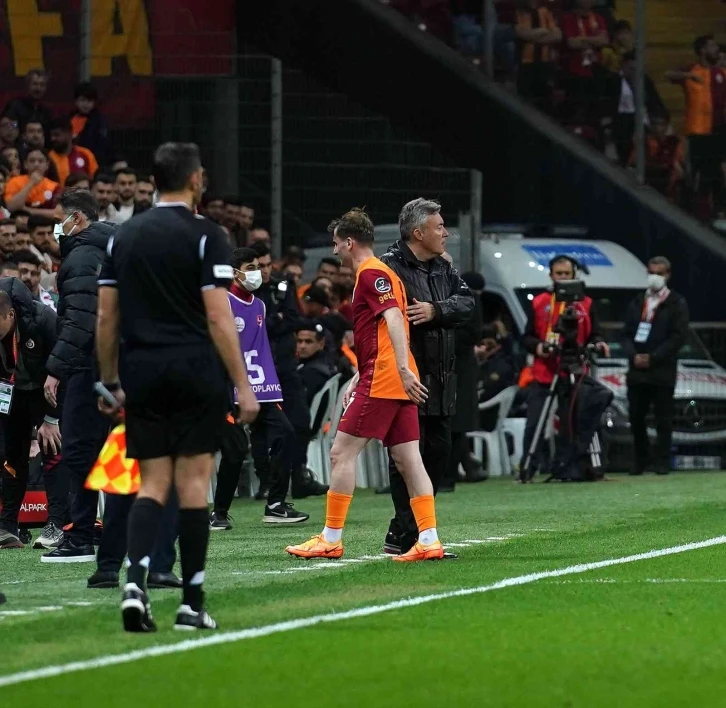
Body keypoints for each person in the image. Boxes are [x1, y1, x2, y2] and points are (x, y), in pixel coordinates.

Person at [95, 142, 259, 632]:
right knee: (191, 486)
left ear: (152, 181)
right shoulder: (208, 235)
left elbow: (106, 316)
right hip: (193, 369)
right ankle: (191, 603)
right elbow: (218, 315)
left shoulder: (123, 236)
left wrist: (109, 381)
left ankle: (134, 584)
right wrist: (243, 383)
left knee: (151, 483)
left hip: (141, 370)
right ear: (195, 180)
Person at [286, 208, 444, 562]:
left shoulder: (372, 273)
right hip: (391, 374)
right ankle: (429, 538)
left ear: (349, 242)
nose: (335, 250)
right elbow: (384, 331)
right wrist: (364, 372)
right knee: (409, 459)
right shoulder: (383, 273)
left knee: (341, 453)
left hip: (386, 377)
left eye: (336, 243)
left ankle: (330, 538)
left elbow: (393, 319)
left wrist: (397, 369)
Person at [378, 198, 474, 554]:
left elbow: (467, 303)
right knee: (407, 459)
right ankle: (412, 533)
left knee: (437, 456)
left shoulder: (443, 267)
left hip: (442, 380)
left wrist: (437, 310)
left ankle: (404, 530)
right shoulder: (388, 267)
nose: (446, 233)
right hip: (408, 378)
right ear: (418, 233)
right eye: (439, 227)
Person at [39, 190, 115, 562]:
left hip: (89, 366)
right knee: (107, 450)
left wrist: (55, 369)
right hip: (113, 365)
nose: (56, 229)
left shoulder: (83, 256)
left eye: (59, 220)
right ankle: (113, 531)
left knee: (79, 450)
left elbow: (81, 319)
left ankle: (81, 535)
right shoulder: (109, 248)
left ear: (77, 219)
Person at [209, 247, 309, 530]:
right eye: (251, 268)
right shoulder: (222, 302)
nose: (259, 272)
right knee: (236, 449)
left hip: (260, 388)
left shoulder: (261, 305)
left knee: (285, 433)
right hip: (228, 389)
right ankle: (218, 513)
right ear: (235, 272)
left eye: (261, 267)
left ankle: (275, 504)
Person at [521, 255, 611, 481]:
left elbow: (595, 333)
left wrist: (599, 342)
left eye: (567, 274)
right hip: (544, 372)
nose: (563, 278)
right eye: (558, 274)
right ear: (551, 275)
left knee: (571, 423)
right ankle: (527, 468)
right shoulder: (539, 301)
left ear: (574, 275)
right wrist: (539, 347)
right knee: (534, 423)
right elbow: (527, 337)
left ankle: (568, 466)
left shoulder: (586, 303)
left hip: (574, 372)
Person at [252, 242, 327, 500]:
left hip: (285, 365)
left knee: (300, 422)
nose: (264, 271)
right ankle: (267, 482)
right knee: (262, 428)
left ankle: (298, 476)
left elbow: (294, 319)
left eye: (266, 265)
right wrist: (276, 320)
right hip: (259, 368)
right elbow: (254, 327)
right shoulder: (245, 292)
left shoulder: (282, 285)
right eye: (258, 266)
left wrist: (271, 323)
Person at [0, 279, 63, 550]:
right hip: (11, 393)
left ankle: (57, 524)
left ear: (10, 315)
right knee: (11, 455)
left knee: (52, 449)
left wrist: (51, 418)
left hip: (45, 392)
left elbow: (62, 366)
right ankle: (7, 527)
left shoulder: (43, 319)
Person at [620, 256, 689, 476]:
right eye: (651, 272)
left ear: (668, 275)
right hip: (637, 370)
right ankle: (641, 459)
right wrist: (634, 355)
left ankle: (662, 461)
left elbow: (678, 337)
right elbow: (625, 334)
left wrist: (654, 357)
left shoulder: (676, 303)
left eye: (659, 273)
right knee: (636, 416)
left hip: (662, 370)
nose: (654, 277)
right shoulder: (637, 302)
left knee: (663, 418)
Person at [444, 270, 487, 490]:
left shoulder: (467, 298)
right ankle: (466, 466)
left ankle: (451, 474)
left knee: (455, 422)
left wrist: (439, 337)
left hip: (458, 367)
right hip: (442, 367)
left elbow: (472, 333)